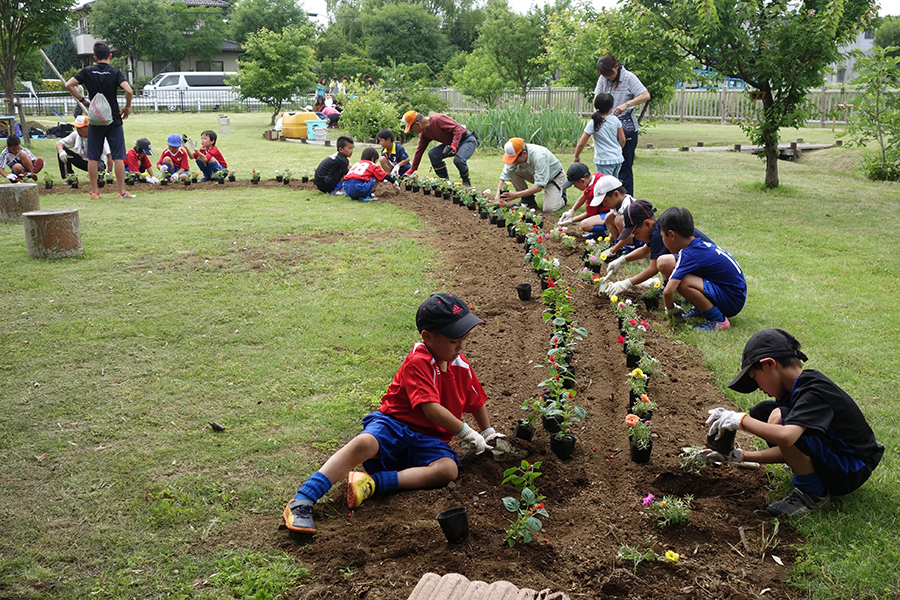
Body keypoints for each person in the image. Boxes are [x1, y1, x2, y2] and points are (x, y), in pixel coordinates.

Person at [283, 292, 503, 535]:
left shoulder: (460, 365)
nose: (461, 347)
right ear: (427, 337)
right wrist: (466, 432)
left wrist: (488, 432)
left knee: (447, 470)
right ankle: (303, 499)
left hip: (430, 440)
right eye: (453, 341)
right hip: (393, 426)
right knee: (363, 443)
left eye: (465, 339)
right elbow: (431, 410)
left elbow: (476, 401)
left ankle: (372, 484)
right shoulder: (418, 361)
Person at [704, 328, 883, 516]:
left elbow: (787, 438)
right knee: (765, 412)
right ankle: (806, 469)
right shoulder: (795, 390)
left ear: (769, 364)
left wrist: (740, 420)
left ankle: (813, 495)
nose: (759, 388)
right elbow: (788, 444)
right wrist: (739, 456)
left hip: (850, 469)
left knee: (782, 423)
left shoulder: (814, 391)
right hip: (838, 459)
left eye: (755, 379)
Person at [658, 207, 746, 331]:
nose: (663, 241)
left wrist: (671, 311)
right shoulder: (699, 245)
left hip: (731, 299)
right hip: (735, 294)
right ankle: (701, 309)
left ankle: (718, 320)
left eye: (663, 237)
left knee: (682, 282)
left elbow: (668, 292)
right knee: (683, 276)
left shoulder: (689, 254)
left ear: (671, 235)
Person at [66, 42, 135, 200]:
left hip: (95, 119)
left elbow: (68, 84)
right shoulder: (115, 72)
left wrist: (83, 101)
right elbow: (129, 90)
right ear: (110, 56)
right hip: (114, 119)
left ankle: (95, 192)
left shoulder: (87, 71)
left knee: (93, 157)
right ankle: (121, 191)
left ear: (95, 57)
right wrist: (127, 107)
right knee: (118, 156)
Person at [604, 199, 713, 296]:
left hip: (707, 271)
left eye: (636, 233)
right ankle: (669, 286)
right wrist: (623, 260)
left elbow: (653, 268)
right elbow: (645, 250)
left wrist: (627, 283)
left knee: (664, 262)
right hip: (701, 262)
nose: (635, 237)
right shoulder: (659, 226)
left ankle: (680, 289)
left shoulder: (658, 234)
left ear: (647, 224)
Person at [593, 54, 650, 196]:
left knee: (624, 168)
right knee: (609, 169)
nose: (607, 77)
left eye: (610, 73)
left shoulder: (629, 78)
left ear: (616, 66)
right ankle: (608, 201)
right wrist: (597, 114)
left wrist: (627, 104)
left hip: (626, 129)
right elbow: (596, 97)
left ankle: (627, 203)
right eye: (604, 75)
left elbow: (645, 95)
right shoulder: (603, 79)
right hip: (608, 129)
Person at [403, 111, 476, 188]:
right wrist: (412, 169)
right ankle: (445, 182)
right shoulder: (424, 133)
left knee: (458, 160)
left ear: (417, 124)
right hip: (451, 144)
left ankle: (466, 180)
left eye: (411, 128)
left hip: (466, 140)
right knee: (433, 154)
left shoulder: (438, 119)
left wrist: (454, 145)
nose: (411, 131)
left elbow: (458, 129)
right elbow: (419, 151)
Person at [496, 137, 566, 213]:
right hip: (534, 174)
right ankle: (528, 200)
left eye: (515, 159)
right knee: (514, 171)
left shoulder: (539, 156)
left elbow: (538, 187)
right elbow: (505, 176)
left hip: (553, 178)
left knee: (549, 209)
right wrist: (497, 195)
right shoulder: (516, 155)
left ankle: (562, 195)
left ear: (524, 153)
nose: (513, 162)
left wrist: (516, 195)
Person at [573, 93, 625, 177]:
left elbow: (581, 143)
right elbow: (622, 139)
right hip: (617, 158)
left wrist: (576, 156)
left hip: (604, 160)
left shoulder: (593, 123)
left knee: (604, 185)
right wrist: (619, 149)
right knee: (614, 183)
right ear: (610, 109)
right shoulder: (615, 120)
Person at [557, 163, 609, 238]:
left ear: (582, 181)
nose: (575, 187)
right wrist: (571, 211)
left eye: (574, 184)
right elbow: (583, 196)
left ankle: (606, 231)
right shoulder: (597, 176)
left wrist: (571, 220)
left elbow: (589, 214)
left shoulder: (592, 191)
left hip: (611, 213)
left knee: (585, 225)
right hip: (609, 210)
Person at [55, 115, 112, 180]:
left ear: (87, 127)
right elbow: (59, 143)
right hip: (83, 161)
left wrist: (109, 173)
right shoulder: (75, 134)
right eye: (77, 128)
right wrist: (61, 151)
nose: (78, 130)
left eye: (80, 128)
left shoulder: (99, 137)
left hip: (98, 163)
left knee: (99, 168)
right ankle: (70, 177)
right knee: (63, 150)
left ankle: (99, 178)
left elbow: (109, 156)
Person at [591, 175, 634, 255]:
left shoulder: (628, 206)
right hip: (627, 235)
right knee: (608, 217)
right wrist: (607, 241)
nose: (604, 205)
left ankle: (629, 248)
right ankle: (620, 245)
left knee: (618, 219)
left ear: (616, 194)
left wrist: (612, 250)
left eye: (605, 201)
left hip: (639, 238)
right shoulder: (616, 205)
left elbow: (631, 234)